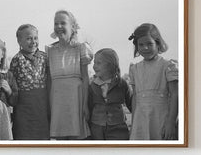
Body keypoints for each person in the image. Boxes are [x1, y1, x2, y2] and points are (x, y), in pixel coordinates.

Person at [46, 9, 93, 139]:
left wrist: (85, 105)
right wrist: (49, 105)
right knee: (60, 138)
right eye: (56, 23)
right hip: (57, 100)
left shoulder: (80, 48)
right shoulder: (50, 50)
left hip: (75, 99)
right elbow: (49, 80)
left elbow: (85, 78)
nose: (59, 26)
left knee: (76, 138)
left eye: (63, 23)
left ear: (72, 27)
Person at [128, 23, 178, 140]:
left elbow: (175, 94)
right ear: (137, 46)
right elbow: (135, 98)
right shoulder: (135, 69)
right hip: (141, 119)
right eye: (141, 44)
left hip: (161, 117)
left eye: (149, 44)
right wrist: (134, 123)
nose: (145, 48)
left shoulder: (167, 66)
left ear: (158, 43)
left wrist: (171, 122)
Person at [9, 24, 50, 140]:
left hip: (41, 103)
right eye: (28, 38)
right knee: (23, 135)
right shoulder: (17, 59)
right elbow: (13, 84)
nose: (33, 41)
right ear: (19, 41)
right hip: (23, 104)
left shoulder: (44, 57)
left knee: (42, 136)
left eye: (35, 38)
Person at [88, 48, 132, 140]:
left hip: (118, 129)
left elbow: (131, 104)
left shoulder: (122, 84)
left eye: (98, 63)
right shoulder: (92, 85)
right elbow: (89, 107)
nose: (94, 66)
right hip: (97, 128)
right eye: (94, 63)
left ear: (110, 65)